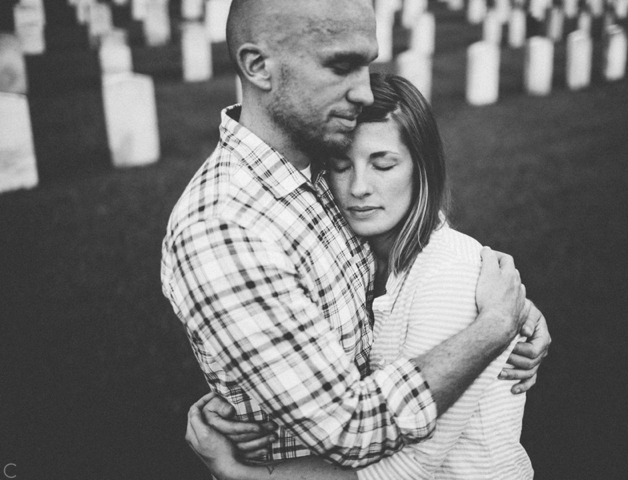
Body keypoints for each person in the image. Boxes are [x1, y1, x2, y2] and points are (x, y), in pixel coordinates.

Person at [162, 0, 550, 471]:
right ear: (258, 66)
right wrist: (492, 328)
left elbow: (402, 266)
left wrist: (508, 305)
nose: (364, 92)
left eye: (366, 65)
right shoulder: (224, 228)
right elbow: (352, 428)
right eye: (341, 66)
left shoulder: (316, 165)